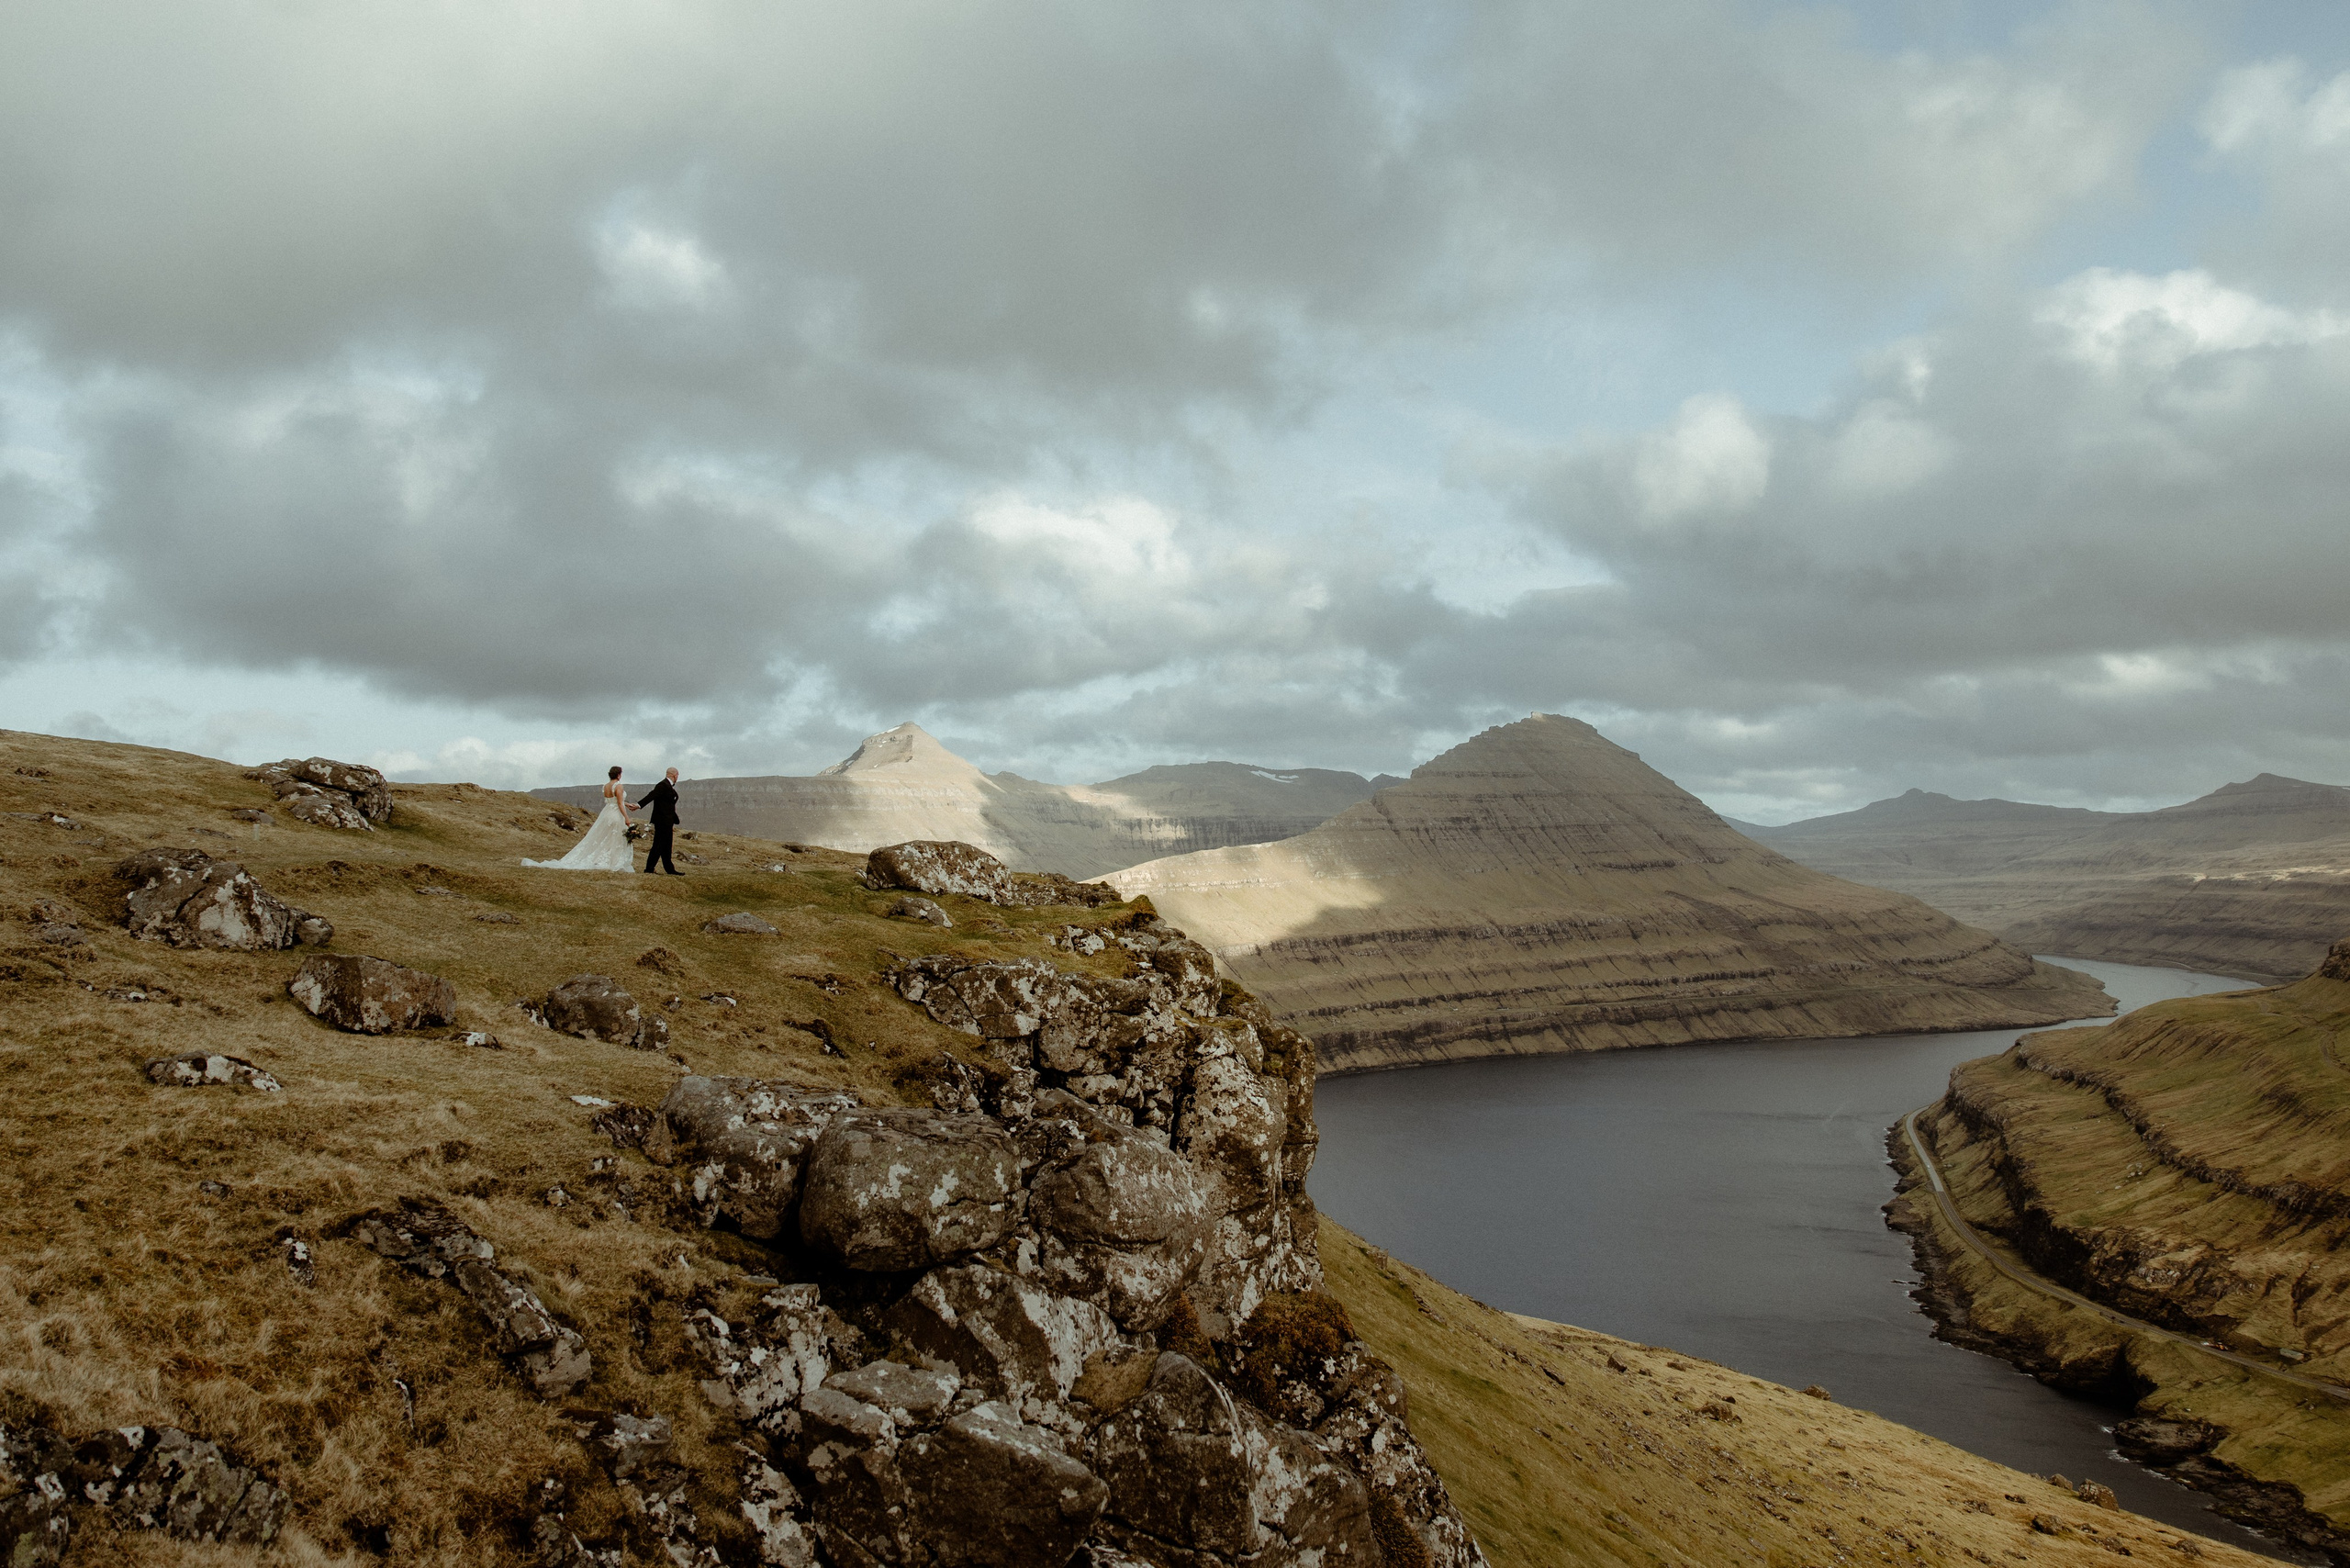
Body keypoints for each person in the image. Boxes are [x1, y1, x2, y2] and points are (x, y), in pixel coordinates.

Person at [521, 766, 636, 871]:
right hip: (616, 814)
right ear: (618, 775)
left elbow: (613, 801)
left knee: (605, 837)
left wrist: (627, 804)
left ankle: (603, 859)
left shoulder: (606, 786)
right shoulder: (619, 786)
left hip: (607, 813)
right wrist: (627, 818)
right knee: (614, 837)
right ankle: (612, 861)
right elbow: (619, 804)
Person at [636, 767, 683, 875]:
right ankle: (649, 868)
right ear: (674, 775)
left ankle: (670, 869)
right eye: (677, 775)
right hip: (662, 821)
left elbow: (668, 803)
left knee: (667, 845)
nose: (677, 778)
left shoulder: (668, 786)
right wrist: (639, 805)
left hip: (668, 820)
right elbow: (651, 795)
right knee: (658, 845)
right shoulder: (663, 785)